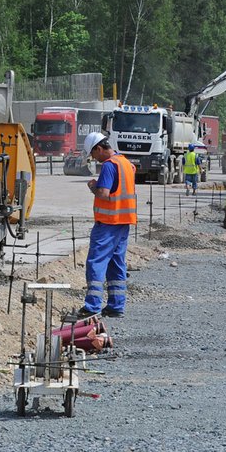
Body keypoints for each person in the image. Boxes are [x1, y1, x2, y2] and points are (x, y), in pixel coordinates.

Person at [78, 131, 137, 319]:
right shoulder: (126, 163)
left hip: (108, 223)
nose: (94, 158)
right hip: (124, 221)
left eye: (93, 154)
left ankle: (92, 305)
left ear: (99, 148)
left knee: (96, 261)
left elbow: (103, 193)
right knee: (116, 263)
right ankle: (116, 305)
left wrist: (92, 186)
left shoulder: (109, 166)